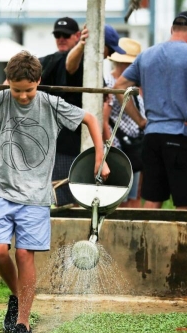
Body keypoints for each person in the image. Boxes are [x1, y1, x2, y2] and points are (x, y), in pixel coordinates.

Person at [0, 51, 109, 333]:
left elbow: (89, 118)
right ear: (7, 83)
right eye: (16, 90)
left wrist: (100, 156)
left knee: (25, 255)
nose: (22, 97)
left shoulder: (50, 103)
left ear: (39, 82)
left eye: (29, 90)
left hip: (35, 196)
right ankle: (19, 295)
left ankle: (23, 323)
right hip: (3, 191)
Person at [113, 10, 187, 210]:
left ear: (172, 29)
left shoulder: (147, 55)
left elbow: (119, 86)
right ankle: (182, 242)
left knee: (152, 199)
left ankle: (146, 242)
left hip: (152, 137)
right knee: (185, 204)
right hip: (182, 135)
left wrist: (140, 121)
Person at [42, 20, 125, 206]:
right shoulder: (61, 60)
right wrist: (82, 45)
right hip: (63, 143)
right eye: (109, 50)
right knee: (63, 201)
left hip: (82, 143)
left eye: (65, 35)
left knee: (82, 198)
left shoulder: (93, 69)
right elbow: (70, 66)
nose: (109, 55)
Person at [103, 38, 146, 208]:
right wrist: (110, 145)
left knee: (134, 196)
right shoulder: (108, 83)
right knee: (119, 198)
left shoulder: (135, 85)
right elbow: (104, 120)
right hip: (118, 146)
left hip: (134, 147)